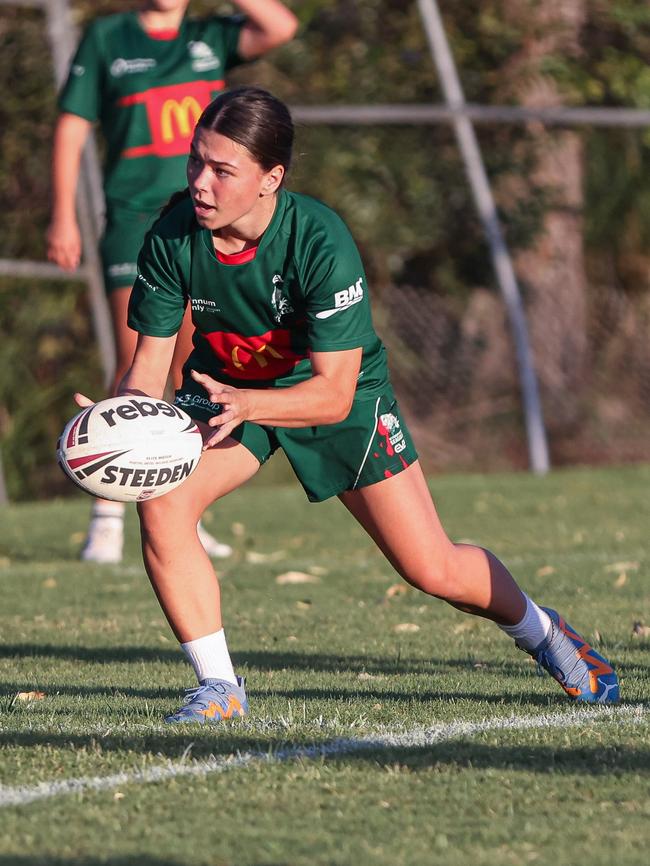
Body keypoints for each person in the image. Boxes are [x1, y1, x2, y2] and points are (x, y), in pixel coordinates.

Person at [76, 86, 619, 724]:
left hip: (334, 393)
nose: (201, 182)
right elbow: (149, 364)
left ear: (269, 179)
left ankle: (542, 632)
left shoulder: (318, 238)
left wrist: (252, 405)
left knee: (432, 568)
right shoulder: (172, 235)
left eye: (223, 170)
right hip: (224, 392)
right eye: (197, 161)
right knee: (164, 502)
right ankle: (218, 687)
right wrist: (122, 424)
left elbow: (333, 394)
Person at [47, 0, 298, 563]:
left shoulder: (208, 35)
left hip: (202, 221)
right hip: (138, 221)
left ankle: (173, 493)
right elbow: (71, 126)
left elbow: (280, 26)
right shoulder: (109, 37)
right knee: (137, 352)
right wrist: (63, 212)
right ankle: (108, 508)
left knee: (191, 364)